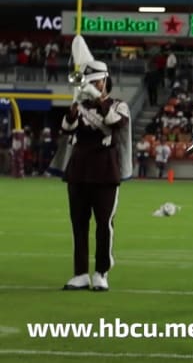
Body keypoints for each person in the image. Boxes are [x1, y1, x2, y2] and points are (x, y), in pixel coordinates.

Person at [49, 37, 132, 292]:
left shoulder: (119, 105)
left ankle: (101, 271)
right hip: (79, 172)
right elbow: (66, 129)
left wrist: (97, 98)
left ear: (104, 81)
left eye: (95, 81)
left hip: (106, 173)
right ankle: (80, 273)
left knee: (104, 225)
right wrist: (74, 109)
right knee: (79, 224)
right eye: (89, 82)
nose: (91, 85)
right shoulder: (79, 106)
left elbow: (115, 122)